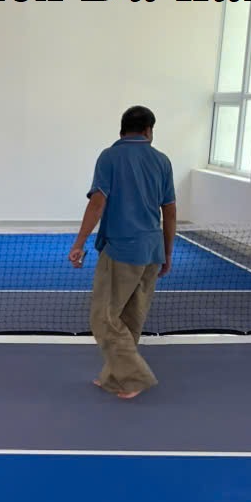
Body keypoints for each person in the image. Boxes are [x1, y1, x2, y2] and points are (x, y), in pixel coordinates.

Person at [68, 105, 176, 400]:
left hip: (122, 250)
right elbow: (169, 211)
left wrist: (78, 243)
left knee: (103, 318)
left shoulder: (109, 157)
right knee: (130, 318)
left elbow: (97, 203)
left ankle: (134, 377)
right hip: (152, 250)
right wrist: (167, 252)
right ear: (148, 130)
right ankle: (115, 378)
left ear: (121, 129)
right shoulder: (162, 161)